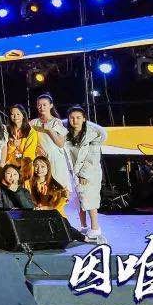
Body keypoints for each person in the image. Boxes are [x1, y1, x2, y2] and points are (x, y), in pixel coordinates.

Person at [65, 106, 107, 242]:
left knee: (89, 199)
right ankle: (83, 226)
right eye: (72, 118)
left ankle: (95, 228)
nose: (75, 120)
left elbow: (92, 158)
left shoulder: (92, 135)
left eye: (78, 117)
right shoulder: (66, 134)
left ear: (84, 119)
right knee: (79, 201)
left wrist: (84, 174)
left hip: (89, 172)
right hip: (73, 172)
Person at [30, 93, 70, 191]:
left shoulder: (56, 122)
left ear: (51, 105)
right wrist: (37, 147)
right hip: (41, 159)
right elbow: (28, 138)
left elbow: (61, 143)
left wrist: (49, 130)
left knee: (58, 187)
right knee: (42, 188)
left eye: (44, 105)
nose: (42, 107)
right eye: (39, 105)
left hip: (55, 159)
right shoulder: (34, 122)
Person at [5, 104, 39, 181]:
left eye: (18, 114)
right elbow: (6, 151)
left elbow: (29, 154)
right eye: (12, 114)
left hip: (25, 167)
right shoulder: (7, 130)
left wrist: (22, 168)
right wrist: (13, 145)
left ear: (23, 115)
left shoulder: (31, 132)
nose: (15, 116)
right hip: (10, 167)